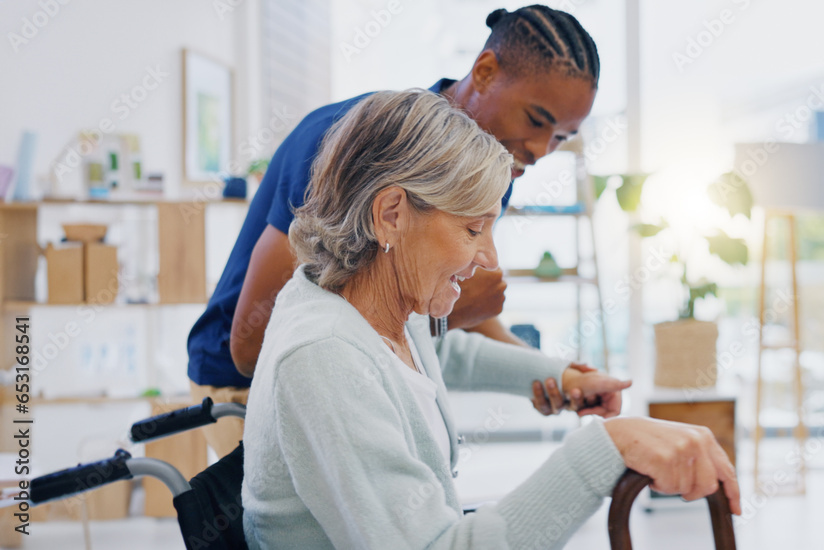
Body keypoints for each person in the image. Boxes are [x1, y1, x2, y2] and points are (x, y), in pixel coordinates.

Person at [242, 89, 740, 549]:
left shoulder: (364, 302)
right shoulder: (324, 357)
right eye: (473, 228)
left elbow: (441, 352)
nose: (490, 258)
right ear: (392, 213)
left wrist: (557, 377)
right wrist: (606, 450)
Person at [188, 5, 612, 457]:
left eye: (562, 138)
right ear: (485, 71)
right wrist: (444, 318)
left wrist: (546, 374)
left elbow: (436, 289)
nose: (542, 150)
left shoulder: (493, 169)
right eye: (535, 119)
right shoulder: (348, 140)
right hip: (246, 382)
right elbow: (252, 345)